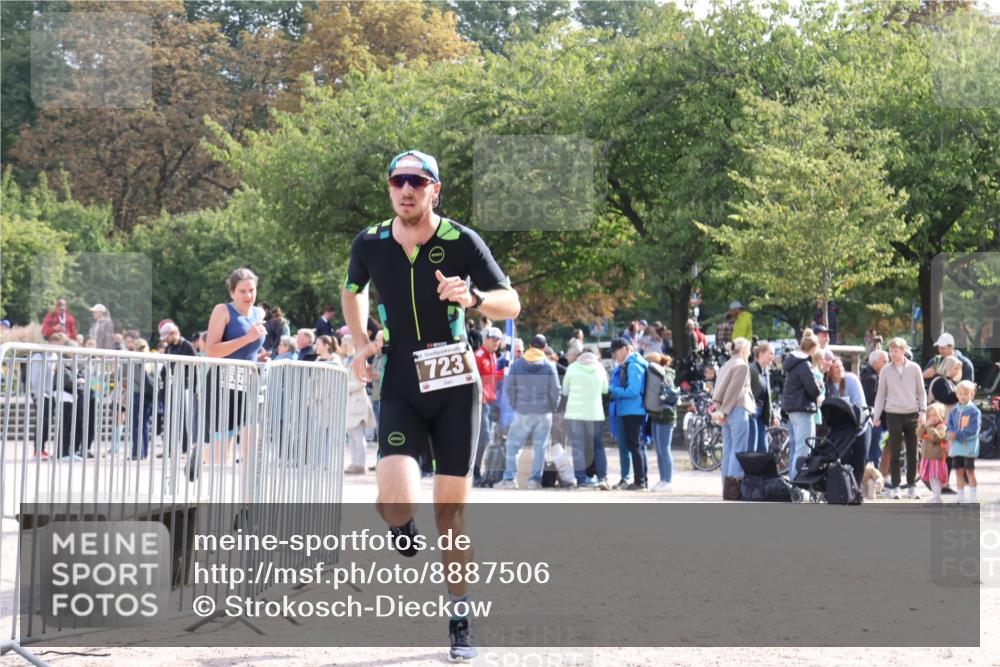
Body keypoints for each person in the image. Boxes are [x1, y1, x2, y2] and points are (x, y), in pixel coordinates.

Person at [341, 149, 519, 662]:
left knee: (450, 518)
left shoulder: (462, 241)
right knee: (396, 502)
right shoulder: (370, 242)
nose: (406, 190)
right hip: (400, 376)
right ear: (389, 187)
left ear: (434, 190)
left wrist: (474, 299)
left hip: (454, 382)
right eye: (398, 181)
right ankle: (401, 525)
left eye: (417, 182)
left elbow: (510, 301)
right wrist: (361, 343)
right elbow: (352, 291)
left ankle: (460, 617)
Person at [201, 268, 266, 468]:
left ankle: (249, 487)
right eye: (242, 291)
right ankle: (202, 463)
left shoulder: (259, 313)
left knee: (251, 435)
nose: (248, 296)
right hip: (223, 379)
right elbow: (211, 351)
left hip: (249, 379)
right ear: (232, 292)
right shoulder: (222, 311)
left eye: (252, 290)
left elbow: (250, 348)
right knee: (222, 444)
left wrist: (260, 358)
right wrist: (247, 338)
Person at [495, 334, 561, 489]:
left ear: (530, 346)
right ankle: (534, 481)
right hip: (544, 412)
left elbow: (509, 388)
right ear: (544, 348)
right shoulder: (549, 365)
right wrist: (552, 408)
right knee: (540, 448)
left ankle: (510, 479)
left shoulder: (518, 364)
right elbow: (556, 390)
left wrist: (516, 405)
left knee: (513, 445)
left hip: (522, 411)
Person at [872, 337, 927, 500]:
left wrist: (923, 411)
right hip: (893, 414)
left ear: (903, 351)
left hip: (912, 414)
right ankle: (896, 486)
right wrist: (876, 416)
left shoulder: (915, 368)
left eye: (896, 351)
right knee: (894, 451)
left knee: (913, 452)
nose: (892, 354)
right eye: (891, 351)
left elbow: (921, 392)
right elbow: (880, 395)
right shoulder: (885, 370)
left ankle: (912, 486)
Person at [562, 344, 610, 490]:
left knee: (578, 447)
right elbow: (605, 389)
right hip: (595, 413)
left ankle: (581, 480)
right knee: (598, 446)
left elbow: (565, 391)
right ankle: (602, 478)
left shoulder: (572, 368)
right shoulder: (600, 368)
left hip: (574, 413)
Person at [712, 337, 755, 498]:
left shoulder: (726, 365)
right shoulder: (742, 365)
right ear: (743, 350)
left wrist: (721, 411)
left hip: (726, 410)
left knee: (728, 450)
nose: (749, 353)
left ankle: (727, 488)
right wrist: (724, 411)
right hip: (736, 409)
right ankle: (733, 490)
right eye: (748, 349)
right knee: (738, 450)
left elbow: (719, 390)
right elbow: (734, 391)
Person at [609, 337, 649, 490]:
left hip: (633, 410)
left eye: (615, 352)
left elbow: (633, 390)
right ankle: (641, 480)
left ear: (624, 349)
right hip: (632, 410)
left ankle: (640, 481)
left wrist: (613, 390)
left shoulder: (633, 365)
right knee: (636, 446)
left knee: (635, 446)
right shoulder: (632, 363)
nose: (614, 356)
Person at [781, 332, 823, 479]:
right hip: (803, 408)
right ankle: (796, 482)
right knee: (804, 450)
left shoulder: (793, 363)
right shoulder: (805, 364)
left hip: (793, 409)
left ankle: (795, 480)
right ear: (813, 348)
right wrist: (820, 385)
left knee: (798, 448)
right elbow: (814, 390)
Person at [825, 357, 868, 487]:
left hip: (859, 424)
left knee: (860, 457)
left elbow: (859, 403)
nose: (840, 370)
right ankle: (845, 488)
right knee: (843, 458)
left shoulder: (851, 380)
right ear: (830, 371)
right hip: (841, 429)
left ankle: (856, 488)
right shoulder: (827, 386)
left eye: (841, 366)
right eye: (836, 367)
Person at [159, 320, 197, 456]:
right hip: (171, 387)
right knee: (170, 418)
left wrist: (194, 388)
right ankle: (170, 448)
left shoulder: (187, 346)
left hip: (185, 387)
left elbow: (195, 367)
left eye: (166, 337)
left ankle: (186, 448)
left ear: (173, 333)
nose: (165, 340)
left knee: (185, 418)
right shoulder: (169, 348)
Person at [339, 335, 375, 475]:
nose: (342, 346)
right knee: (352, 436)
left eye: (344, 344)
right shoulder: (345, 361)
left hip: (357, 402)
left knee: (358, 435)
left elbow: (362, 382)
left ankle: (360, 464)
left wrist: (343, 385)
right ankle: (355, 462)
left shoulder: (360, 360)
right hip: (349, 403)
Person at [472, 327, 502, 485]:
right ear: (486, 339)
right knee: (483, 437)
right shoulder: (478, 356)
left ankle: (476, 470)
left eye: (498, 340)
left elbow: (491, 377)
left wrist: (503, 373)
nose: (496, 343)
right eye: (493, 339)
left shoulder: (493, 355)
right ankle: (474, 471)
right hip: (481, 402)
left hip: (490, 401)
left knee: (485, 437)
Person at [645, 352, 677, 492]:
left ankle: (668, 480)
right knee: (659, 450)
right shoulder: (659, 373)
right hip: (657, 415)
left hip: (666, 416)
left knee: (664, 449)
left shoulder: (666, 375)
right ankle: (662, 479)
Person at [946, 381, 981, 503]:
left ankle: (973, 498)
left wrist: (957, 434)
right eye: (960, 393)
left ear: (972, 394)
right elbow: (949, 426)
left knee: (969, 471)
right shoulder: (953, 411)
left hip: (968, 448)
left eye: (966, 394)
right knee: (958, 472)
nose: (963, 396)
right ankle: (960, 497)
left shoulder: (974, 411)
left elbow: (973, 430)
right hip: (956, 448)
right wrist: (949, 433)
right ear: (957, 395)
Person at [860, 350, 889, 466]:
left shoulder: (867, 374)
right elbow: (870, 401)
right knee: (874, 455)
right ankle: (874, 474)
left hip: (874, 420)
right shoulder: (872, 379)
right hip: (875, 421)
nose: (887, 364)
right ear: (875, 362)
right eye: (884, 361)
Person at [918, 403, 949, 503]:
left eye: (935, 415)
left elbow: (936, 437)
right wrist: (924, 426)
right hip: (927, 457)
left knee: (935, 477)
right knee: (931, 478)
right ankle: (935, 496)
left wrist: (929, 427)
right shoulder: (927, 426)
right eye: (930, 415)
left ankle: (937, 497)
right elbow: (918, 434)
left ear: (941, 415)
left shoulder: (942, 427)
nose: (932, 418)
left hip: (936, 458)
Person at [748, 342, 776, 454]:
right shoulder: (751, 369)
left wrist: (773, 416)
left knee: (763, 448)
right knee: (752, 448)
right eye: (770, 353)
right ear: (761, 354)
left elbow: (767, 397)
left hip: (761, 414)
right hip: (751, 413)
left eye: (773, 354)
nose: (772, 357)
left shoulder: (766, 371)